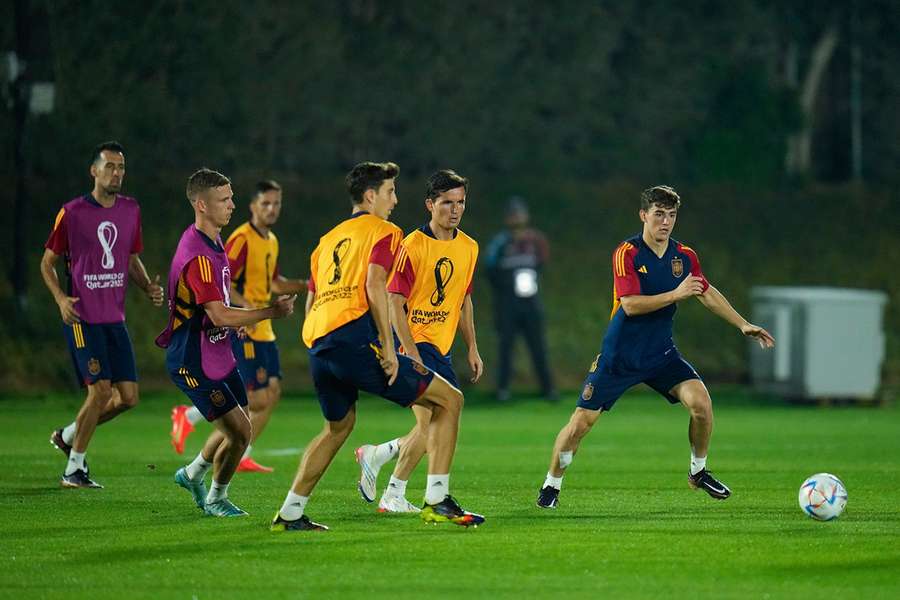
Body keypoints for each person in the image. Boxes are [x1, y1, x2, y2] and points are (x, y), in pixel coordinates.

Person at [271, 162, 484, 532]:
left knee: (338, 428)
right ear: (371, 196)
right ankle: (436, 499)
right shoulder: (386, 231)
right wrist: (388, 346)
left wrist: (314, 339)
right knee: (449, 401)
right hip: (355, 339)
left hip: (319, 343)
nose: (394, 200)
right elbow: (376, 285)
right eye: (390, 192)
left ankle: (289, 513)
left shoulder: (328, 240)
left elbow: (313, 297)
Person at [536, 185, 775, 509]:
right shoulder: (627, 253)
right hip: (620, 355)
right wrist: (677, 294)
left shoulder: (684, 256)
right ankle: (552, 485)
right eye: (659, 214)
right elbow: (631, 305)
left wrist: (742, 323)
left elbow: (704, 290)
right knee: (580, 424)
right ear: (643, 215)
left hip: (661, 354)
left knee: (701, 405)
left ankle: (698, 472)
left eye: (672, 215)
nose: (666, 222)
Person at [156, 168, 295, 517]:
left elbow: (218, 311)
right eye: (225, 199)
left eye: (231, 197)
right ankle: (216, 498)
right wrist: (266, 313)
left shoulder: (215, 239)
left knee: (241, 423)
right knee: (240, 433)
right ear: (202, 205)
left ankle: (192, 474)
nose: (233, 205)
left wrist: (238, 323)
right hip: (193, 361)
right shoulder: (199, 255)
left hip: (218, 351)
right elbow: (218, 314)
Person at [354, 169, 483, 513]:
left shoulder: (469, 247)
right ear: (430, 204)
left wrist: (471, 346)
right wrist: (410, 354)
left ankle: (383, 469)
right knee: (437, 420)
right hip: (414, 343)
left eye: (460, 203)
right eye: (446, 203)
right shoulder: (412, 246)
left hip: (440, 348)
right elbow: (394, 302)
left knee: (432, 425)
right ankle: (418, 494)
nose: (454, 210)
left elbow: (463, 300)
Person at [41, 141, 164, 489]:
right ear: (94, 171)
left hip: (114, 319)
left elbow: (129, 257)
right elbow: (47, 263)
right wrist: (61, 298)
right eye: (109, 166)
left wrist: (146, 287)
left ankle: (67, 436)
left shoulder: (130, 210)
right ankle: (74, 469)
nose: (116, 173)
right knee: (99, 393)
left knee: (128, 398)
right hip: (82, 318)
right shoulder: (72, 212)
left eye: (121, 167)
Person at [484, 197, 556, 401]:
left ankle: (548, 389)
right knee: (505, 347)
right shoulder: (500, 241)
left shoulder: (535, 240)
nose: (517, 217)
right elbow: (489, 268)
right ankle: (503, 390)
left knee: (538, 346)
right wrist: (506, 285)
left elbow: (542, 263)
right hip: (508, 303)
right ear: (507, 218)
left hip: (531, 301)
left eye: (520, 213)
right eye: (513, 214)